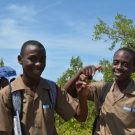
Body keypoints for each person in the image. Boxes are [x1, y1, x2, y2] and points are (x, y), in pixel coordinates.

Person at [0, 40, 88, 135]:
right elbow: (6, 132)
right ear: (20, 59)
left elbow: (80, 117)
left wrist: (82, 96)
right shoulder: (7, 94)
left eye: (42, 59)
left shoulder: (53, 89)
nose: (39, 64)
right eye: (32, 59)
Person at [64, 47, 135, 135]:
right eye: (116, 63)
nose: (119, 67)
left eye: (125, 64)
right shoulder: (102, 88)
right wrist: (80, 73)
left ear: (133, 68)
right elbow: (65, 93)